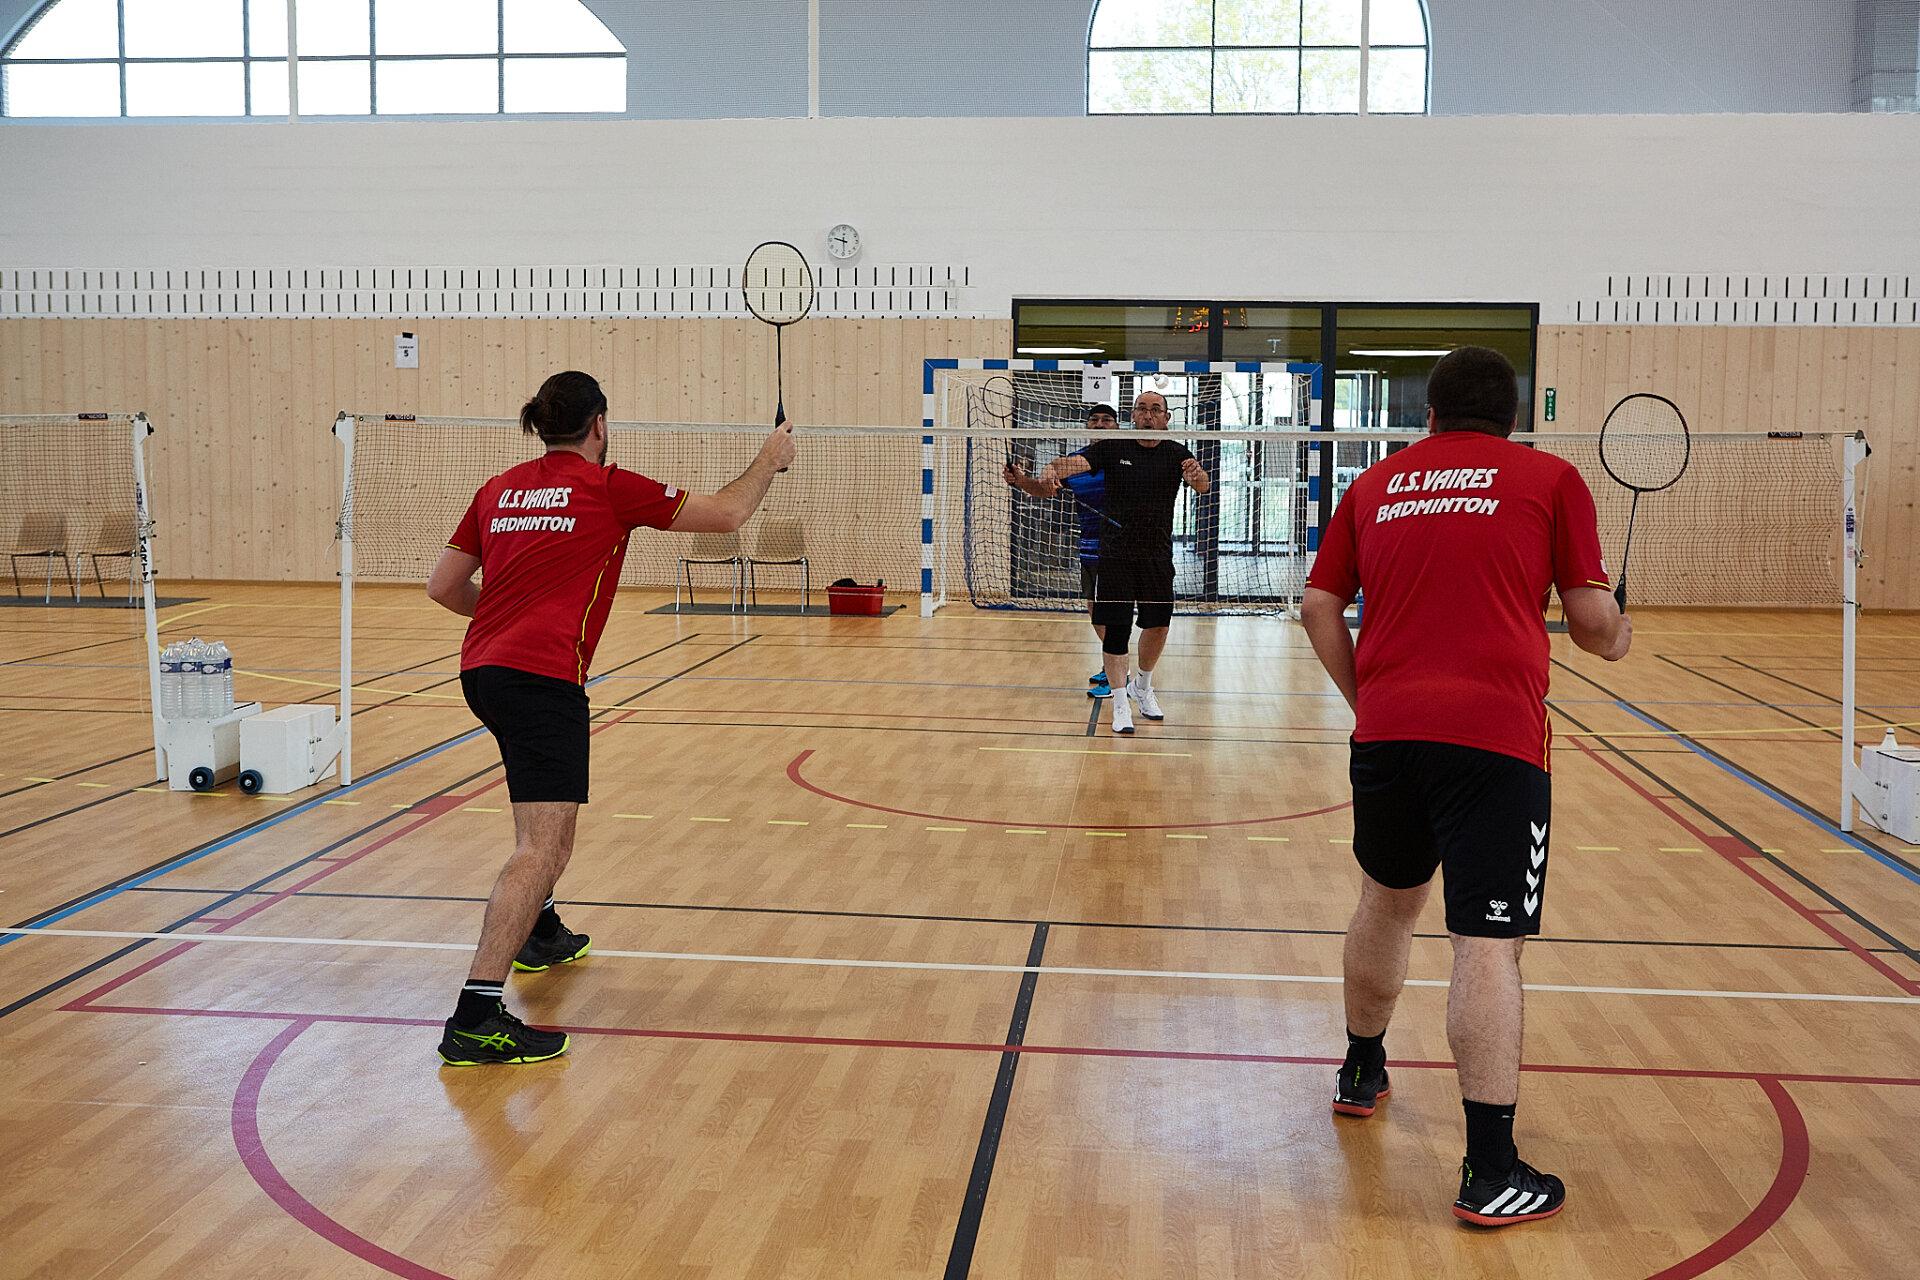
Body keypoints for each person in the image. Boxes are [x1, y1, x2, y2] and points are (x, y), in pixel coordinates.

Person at [1299, 346, 1631, 1225]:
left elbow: (1318, 606)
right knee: (1487, 944)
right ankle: (1490, 1170)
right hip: (1496, 743)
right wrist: (1618, 630)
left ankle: (1360, 1070)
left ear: (1431, 414)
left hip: (1389, 735)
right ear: (1514, 417)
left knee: (1385, 902)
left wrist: (1369, 702)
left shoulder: (1376, 483)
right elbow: (1592, 625)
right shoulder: (1551, 479)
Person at [426, 370, 796, 1065]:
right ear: (599, 424)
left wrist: (505, 622)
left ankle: (539, 932)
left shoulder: (498, 489)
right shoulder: (608, 487)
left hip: (484, 673)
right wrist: (768, 460)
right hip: (541, 682)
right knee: (543, 847)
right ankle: (475, 1015)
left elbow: (443, 587)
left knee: (537, 820)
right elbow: (727, 515)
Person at [1029, 389, 1208, 735]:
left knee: (1158, 626)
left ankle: (1143, 686)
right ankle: (1121, 703)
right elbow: (1073, 464)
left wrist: (1197, 475)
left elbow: (1203, 485)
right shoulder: (1112, 448)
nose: (1148, 415)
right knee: (1116, 631)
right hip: (1115, 556)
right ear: (1133, 415)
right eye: (1142, 409)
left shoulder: (1176, 453)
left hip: (1157, 555)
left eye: (1155, 409)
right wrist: (1051, 467)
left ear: (1166, 418)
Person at [1003, 402, 1119, 699]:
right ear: (1087, 426)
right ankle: (1112, 664)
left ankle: (1120, 674)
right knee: (1095, 611)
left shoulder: (1126, 458)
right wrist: (1021, 480)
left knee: (1112, 613)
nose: (1100, 424)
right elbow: (1045, 489)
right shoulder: (1075, 463)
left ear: (1118, 426)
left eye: (1107, 420)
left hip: (1121, 550)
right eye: (1094, 420)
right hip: (1089, 547)